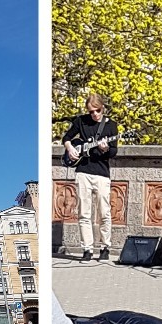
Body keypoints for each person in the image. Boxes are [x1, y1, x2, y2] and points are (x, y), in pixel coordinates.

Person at [61, 94, 120, 261]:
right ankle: (87, 248)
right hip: (83, 171)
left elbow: (114, 152)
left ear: (103, 108)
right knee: (84, 212)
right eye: (91, 111)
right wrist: (70, 148)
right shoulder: (81, 121)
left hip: (101, 172)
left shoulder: (111, 126)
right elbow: (66, 138)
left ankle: (105, 247)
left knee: (104, 212)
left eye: (98, 110)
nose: (95, 114)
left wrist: (104, 149)